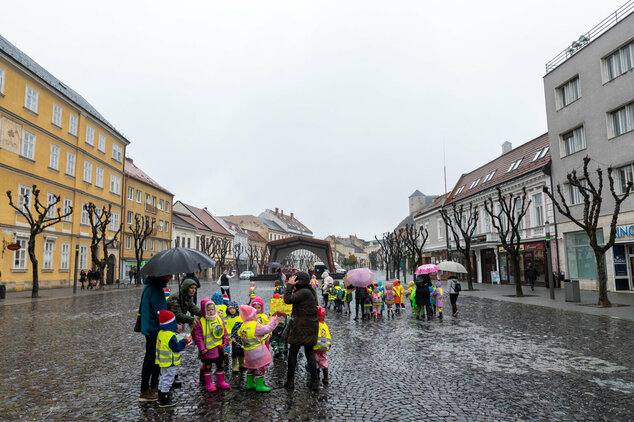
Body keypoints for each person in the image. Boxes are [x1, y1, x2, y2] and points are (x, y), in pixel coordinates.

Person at [283, 272, 319, 391]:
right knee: (310, 354)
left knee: (293, 353)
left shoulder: (303, 292)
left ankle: (290, 381)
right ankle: (314, 382)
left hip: (300, 327)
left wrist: (289, 285)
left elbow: (288, 299)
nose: (294, 281)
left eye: (296, 279)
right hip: (310, 326)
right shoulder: (310, 291)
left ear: (300, 281)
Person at [139, 273, 170, 402]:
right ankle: (145, 391)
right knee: (151, 359)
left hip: (151, 327)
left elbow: (160, 308)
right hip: (153, 329)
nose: (170, 276)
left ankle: (154, 385)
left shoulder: (152, 286)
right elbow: (161, 312)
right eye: (168, 274)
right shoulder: (155, 289)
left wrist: (169, 306)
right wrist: (173, 324)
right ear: (162, 275)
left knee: (155, 358)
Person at [238, 305, 278, 392]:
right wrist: (273, 320)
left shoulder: (243, 326)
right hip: (257, 351)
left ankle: (250, 384)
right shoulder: (255, 325)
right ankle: (260, 385)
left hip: (248, 352)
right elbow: (267, 328)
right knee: (259, 367)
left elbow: (239, 333)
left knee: (250, 367)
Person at [193, 299, 231, 392]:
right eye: (209, 310)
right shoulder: (201, 322)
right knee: (208, 367)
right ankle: (209, 384)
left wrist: (225, 342)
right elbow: (198, 337)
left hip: (219, 348)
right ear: (204, 310)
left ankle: (220, 382)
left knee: (220, 365)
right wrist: (201, 348)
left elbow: (224, 332)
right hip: (208, 350)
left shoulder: (218, 319)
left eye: (213, 309)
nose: (211, 312)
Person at [156, 309, 188, 407]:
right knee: (168, 378)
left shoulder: (161, 332)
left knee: (162, 377)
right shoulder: (171, 335)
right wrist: (184, 341)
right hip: (170, 361)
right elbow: (177, 347)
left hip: (162, 361)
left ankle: (160, 395)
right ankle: (164, 399)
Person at [313, 306, 331, 386]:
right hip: (324, 348)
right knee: (324, 362)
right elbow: (329, 335)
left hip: (315, 348)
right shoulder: (325, 325)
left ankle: (316, 377)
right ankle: (326, 377)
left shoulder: (315, 324)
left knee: (315, 362)